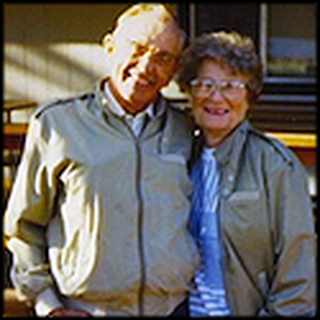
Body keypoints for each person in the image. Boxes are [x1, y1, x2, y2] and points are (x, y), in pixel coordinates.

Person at [4, 4, 200, 317]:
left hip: (173, 309)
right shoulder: (57, 124)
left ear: (173, 71)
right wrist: (48, 306)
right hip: (85, 310)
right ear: (109, 46)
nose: (146, 66)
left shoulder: (186, 131)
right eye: (137, 49)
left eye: (163, 58)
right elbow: (23, 227)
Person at [176, 30, 316, 316]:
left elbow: (298, 279)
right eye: (205, 84)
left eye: (231, 85)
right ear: (189, 91)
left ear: (250, 95)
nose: (216, 97)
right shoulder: (178, 158)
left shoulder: (276, 166)